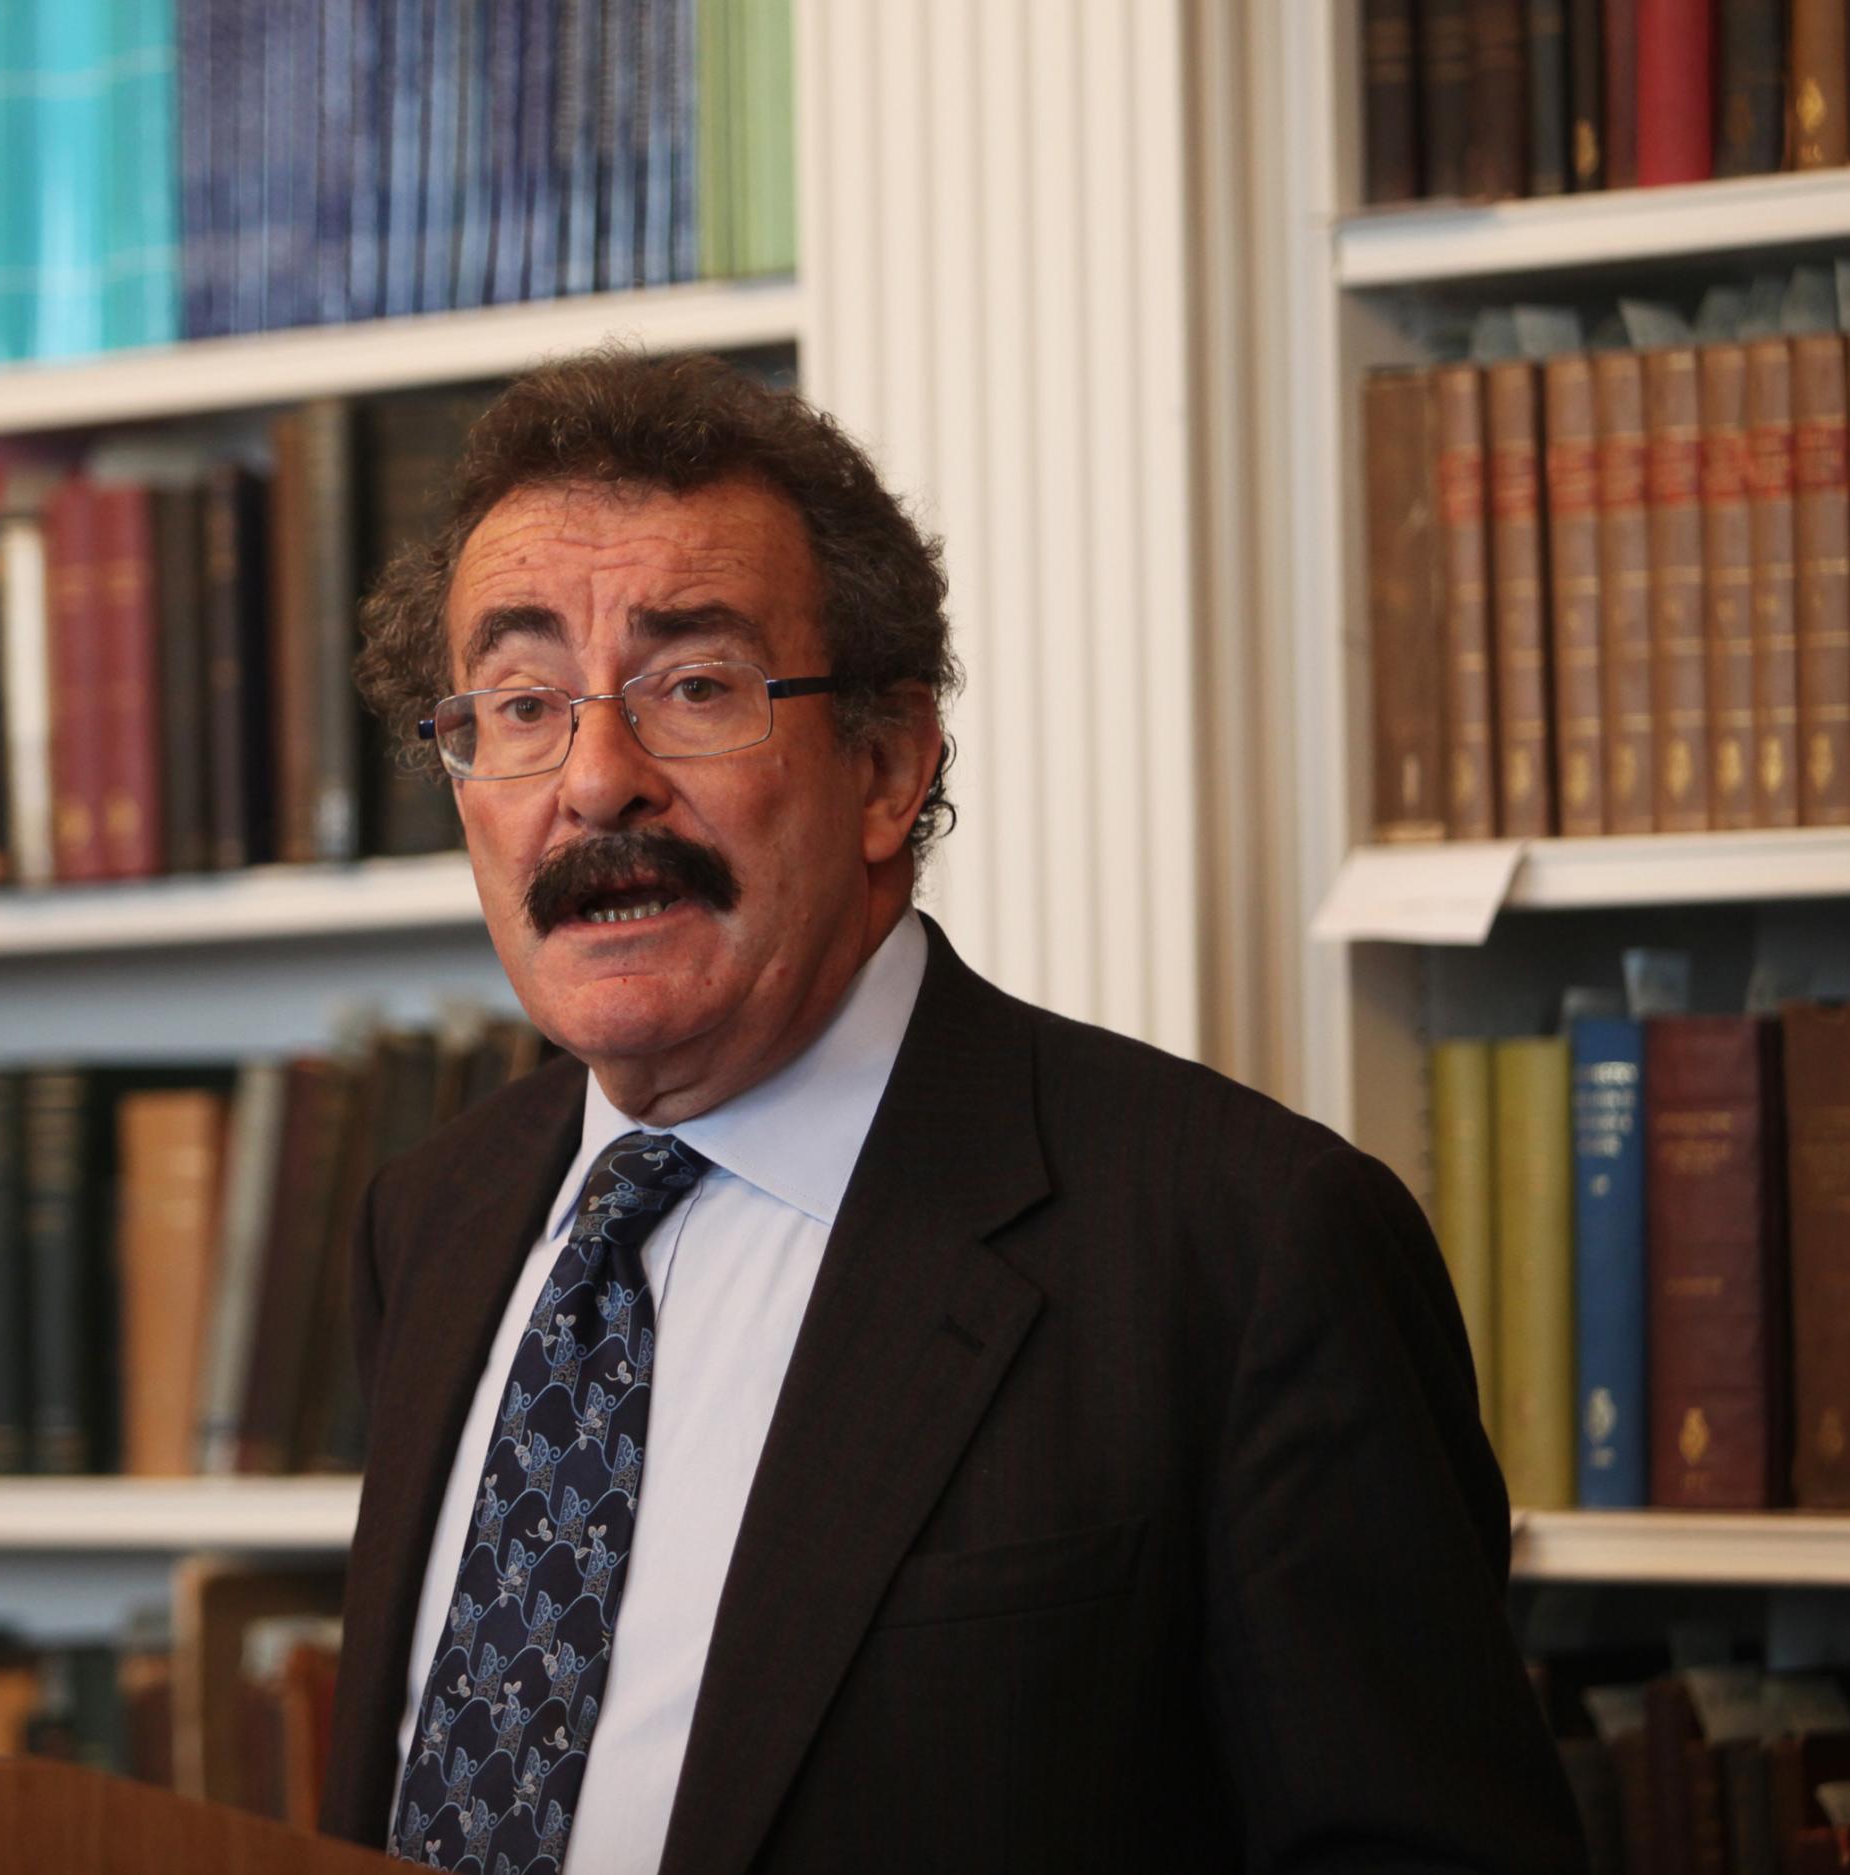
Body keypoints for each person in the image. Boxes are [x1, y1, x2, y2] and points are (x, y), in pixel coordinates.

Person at [319, 349, 1585, 1874]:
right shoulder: (433, 1220)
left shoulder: (1247, 1249)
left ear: (886, 766)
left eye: (696, 688)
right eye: (521, 702)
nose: (596, 782)